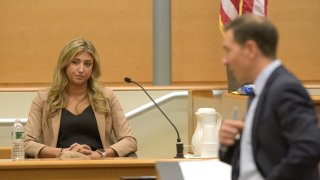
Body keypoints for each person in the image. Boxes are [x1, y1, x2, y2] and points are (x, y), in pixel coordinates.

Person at [219, 14, 320, 180]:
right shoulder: (261, 89)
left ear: (250, 49)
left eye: (228, 50)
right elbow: (261, 158)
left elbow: (308, 149)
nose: (224, 60)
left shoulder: (284, 88)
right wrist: (231, 144)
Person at [24, 38, 137, 159]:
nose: (81, 69)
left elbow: (129, 140)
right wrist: (62, 152)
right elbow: (26, 142)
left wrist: (101, 154)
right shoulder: (44, 98)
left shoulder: (107, 96)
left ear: (93, 68)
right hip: (58, 168)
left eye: (87, 64)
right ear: (64, 64)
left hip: (99, 167)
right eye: (75, 62)